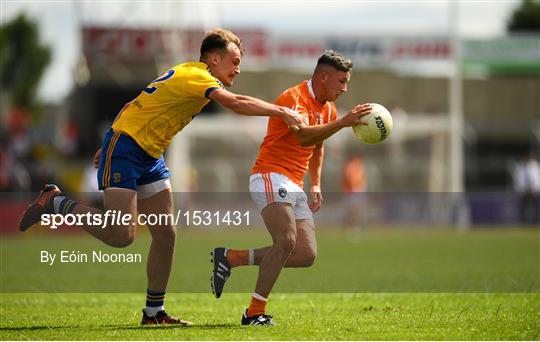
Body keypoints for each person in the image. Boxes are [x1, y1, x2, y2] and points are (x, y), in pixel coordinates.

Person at [18, 28, 306, 326]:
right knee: (122, 235)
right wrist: (282, 112)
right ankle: (55, 202)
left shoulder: (188, 74)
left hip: (148, 154)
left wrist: (108, 140)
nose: (238, 67)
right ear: (214, 58)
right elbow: (236, 103)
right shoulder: (199, 74)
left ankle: (154, 312)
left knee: (166, 234)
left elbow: (132, 104)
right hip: (128, 149)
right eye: (234, 60)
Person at [210, 50, 372, 325]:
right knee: (286, 241)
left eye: (347, 82)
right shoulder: (293, 98)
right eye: (341, 81)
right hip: (270, 175)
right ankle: (254, 313)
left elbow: (317, 146)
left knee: (305, 254)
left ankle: (232, 257)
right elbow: (305, 135)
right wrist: (343, 123)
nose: (345, 88)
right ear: (323, 77)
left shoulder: (329, 108)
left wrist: (316, 182)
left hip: (294, 183)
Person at [513, 151, 540, 225]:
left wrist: (535, 188)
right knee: (523, 207)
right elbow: (519, 179)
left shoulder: (535, 166)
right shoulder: (520, 166)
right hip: (523, 191)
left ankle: (535, 222)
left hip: (534, 190)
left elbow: (536, 178)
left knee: (535, 207)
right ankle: (524, 222)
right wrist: (522, 189)